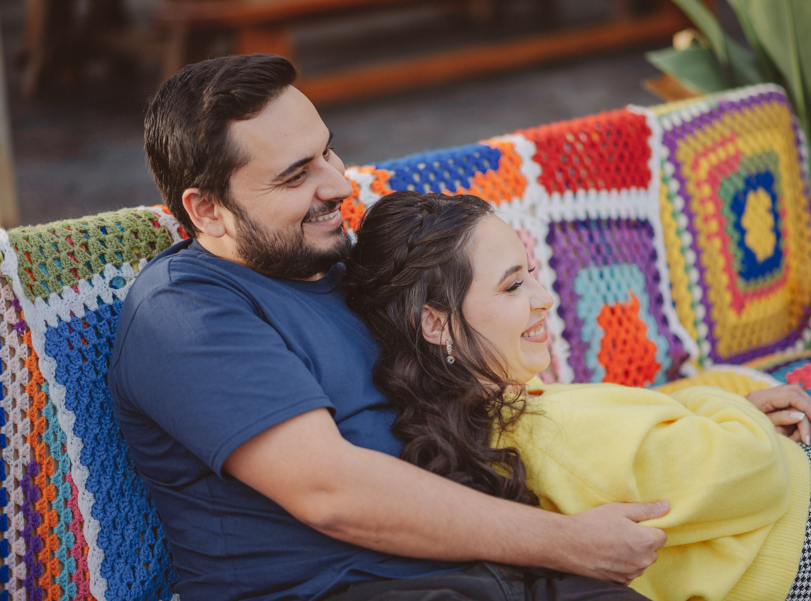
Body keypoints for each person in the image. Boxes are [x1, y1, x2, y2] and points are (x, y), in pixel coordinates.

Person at [108, 53, 667, 601]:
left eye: (327, 152)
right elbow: (331, 492)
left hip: (499, 571)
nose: (339, 186)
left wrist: (707, 408)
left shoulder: (354, 268)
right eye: (296, 176)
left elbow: (512, 395)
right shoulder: (184, 310)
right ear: (207, 210)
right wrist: (567, 542)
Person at [343, 190, 811, 601]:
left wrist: (729, 410)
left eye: (532, 274)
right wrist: (727, 403)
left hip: (797, 500)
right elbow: (754, 470)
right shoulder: (550, 432)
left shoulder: (492, 415)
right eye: (513, 286)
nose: (544, 300)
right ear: (434, 324)